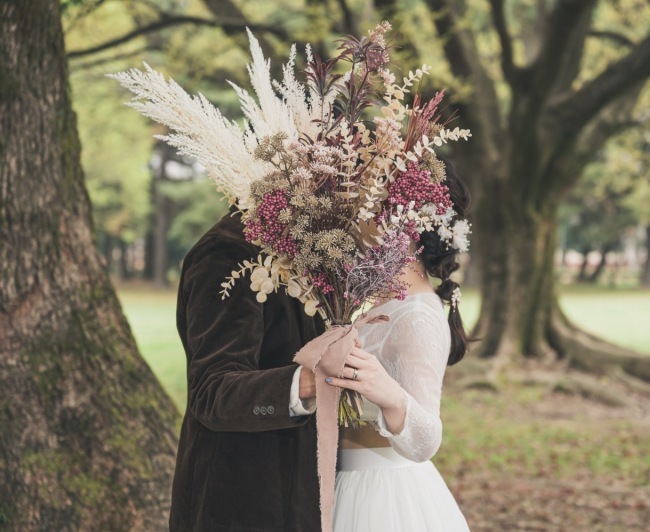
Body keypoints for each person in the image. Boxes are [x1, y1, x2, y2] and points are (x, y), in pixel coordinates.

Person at [325, 162, 472, 531]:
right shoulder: (382, 304)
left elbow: (426, 441)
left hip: (382, 498)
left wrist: (389, 394)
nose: (358, 222)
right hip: (348, 481)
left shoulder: (418, 314)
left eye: (370, 208)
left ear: (404, 224)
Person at [169, 207, 326, 531]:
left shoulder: (304, 245)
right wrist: (305, 384)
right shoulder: (227, 251)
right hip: (238, 500)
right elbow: (213, 390)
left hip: (302, 493)